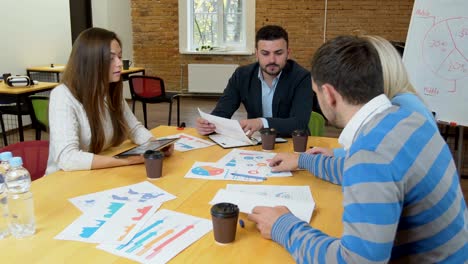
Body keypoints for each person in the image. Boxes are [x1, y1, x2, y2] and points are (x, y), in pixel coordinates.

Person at [248, 36, 467, 263]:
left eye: (316, 93)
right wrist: (303, 161)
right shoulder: (406, 117)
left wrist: (284, 226)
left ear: (330, 95)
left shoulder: (371, 155)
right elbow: (363, 168)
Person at [46, 28, 173, 175]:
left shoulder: (110, 90)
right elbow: (67, 158)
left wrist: (156, 144)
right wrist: (126, 161)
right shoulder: (63, 95)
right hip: (63, 180)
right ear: (91, 61)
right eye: (111, 58)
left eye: (119, 57)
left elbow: (134, 129)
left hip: (95, 173)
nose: (119, 64)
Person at [309, 34, 438, 157]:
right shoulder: (403, 100)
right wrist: (336, 154)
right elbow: (378, 152)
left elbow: (377, 160)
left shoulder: (399, 108)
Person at [195, 25, 314, 137]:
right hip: (257, 140)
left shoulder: (302, 77)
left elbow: (299, 123)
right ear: (257, 54)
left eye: (278, 53)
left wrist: (261, 122)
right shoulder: (241, 75)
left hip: (292, 141)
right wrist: (208, 125)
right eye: (265, 53)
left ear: (288, 53)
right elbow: (222, 112)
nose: (272, 59)